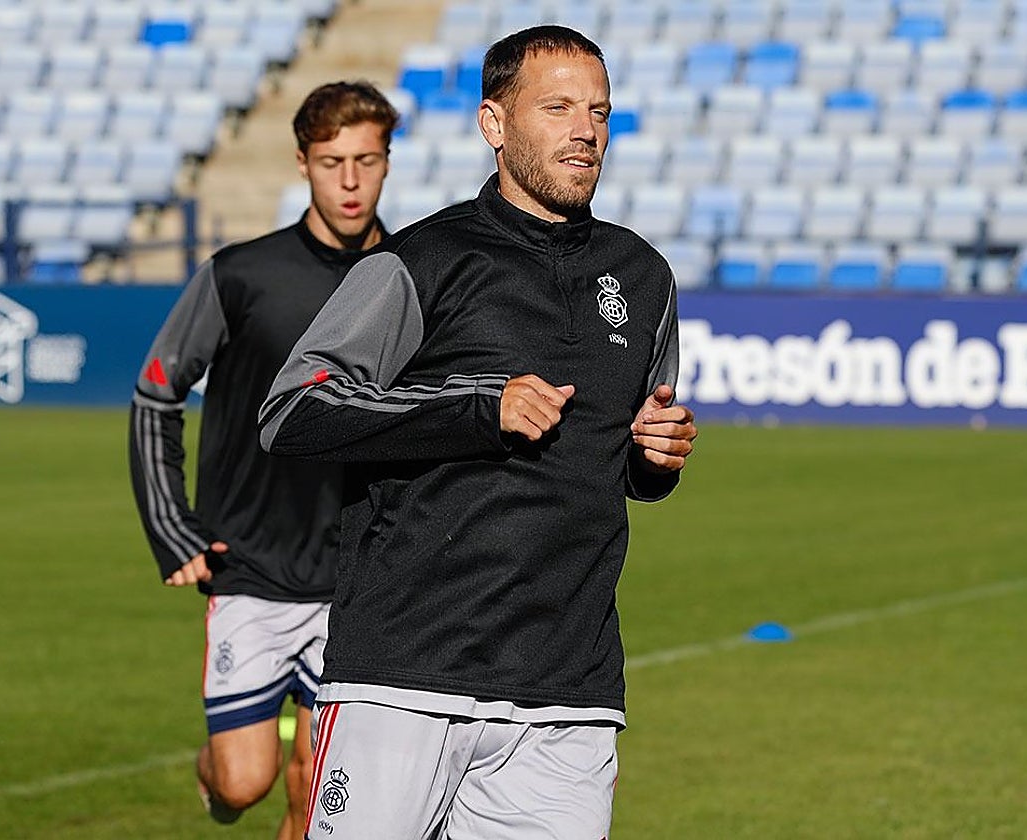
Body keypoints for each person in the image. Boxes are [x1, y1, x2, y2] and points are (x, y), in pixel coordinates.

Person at [258, 26, 697, 839]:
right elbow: (294, 408)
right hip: (405, 677)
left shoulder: (643, 277)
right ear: (495, 125)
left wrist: (654, 455)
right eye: (557, 107)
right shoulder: (421, 261)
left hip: (568, 690)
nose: (585, 130)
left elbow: (632, 455)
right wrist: (474, 407)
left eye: (598, 111)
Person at [127, 81, 397, 839]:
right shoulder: (240, 275)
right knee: (244, 783)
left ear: (387, 162)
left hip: (356, 580)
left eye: (367, 161)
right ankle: (212, 779)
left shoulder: (412, 277)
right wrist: (171, 530)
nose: (350, 181)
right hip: (249, 567)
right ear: (303, 163)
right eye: (331, 161)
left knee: (318, 795)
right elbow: (156, 392)